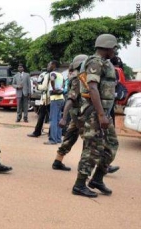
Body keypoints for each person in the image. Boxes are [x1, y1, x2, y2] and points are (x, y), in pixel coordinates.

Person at [72, 34, 119, 198]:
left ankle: (97, 179)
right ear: (107, 47)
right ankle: (79, 184)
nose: (115, 50)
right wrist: (100, 115)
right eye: (114, 47)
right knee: (92, 149)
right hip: (94, 113)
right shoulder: (95, 62)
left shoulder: (105, 63)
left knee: (111, 145)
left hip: (103, 113)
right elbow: (92, 88)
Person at [52, 54, 88, 171]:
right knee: (90, 140)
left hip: (77, 113)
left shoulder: (77, 76)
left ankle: (58, 161)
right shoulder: (78, 78)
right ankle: (97, 165)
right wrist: (63, 117)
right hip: (80, 114)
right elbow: (71, 99)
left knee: (70, 138)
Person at [35, 61, 65, 145]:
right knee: (59, 119)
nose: (48, 66)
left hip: (55, 99)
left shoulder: (53, 73)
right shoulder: (61, 74)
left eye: (49, 64)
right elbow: (64, 83)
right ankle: (58, 139)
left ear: (53, 65)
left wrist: (54, 88)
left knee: (53, 120)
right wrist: (60, 89)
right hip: (61, 98)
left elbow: (52, 79)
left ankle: (52, 139)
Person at [27, 71, 50, 138]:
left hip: (47, 99)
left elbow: (44, 87)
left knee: (42, 116)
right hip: (46, 98)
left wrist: (37, 85)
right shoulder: (48, 75)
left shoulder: (47, 75)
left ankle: (37, 132)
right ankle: (38, 131)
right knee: (45, 116)